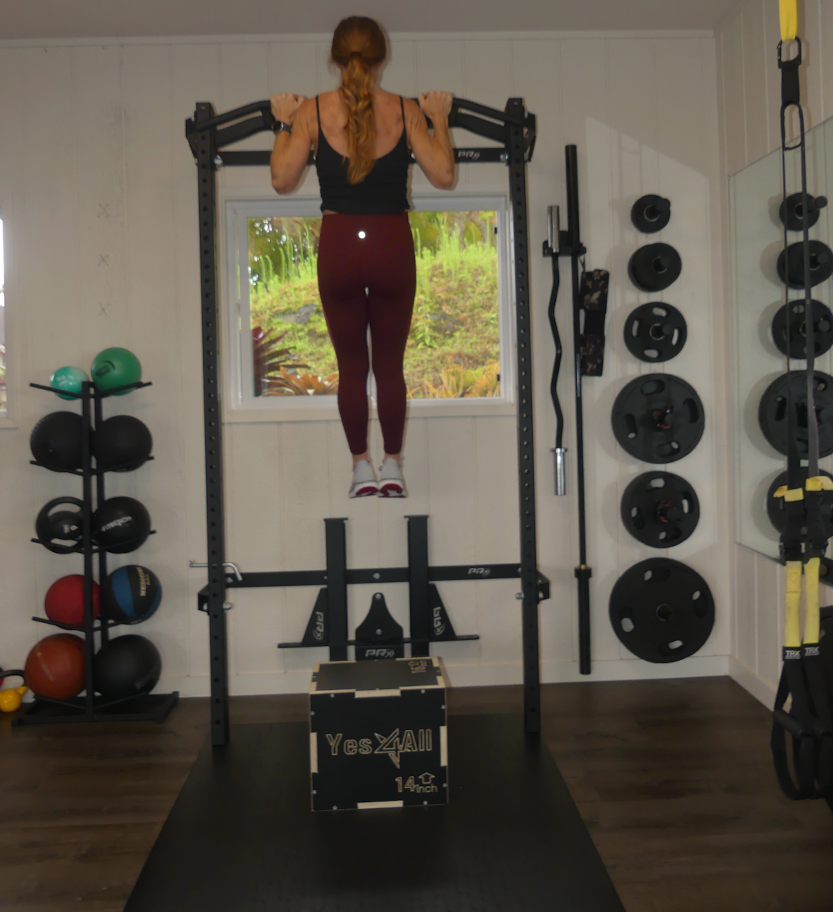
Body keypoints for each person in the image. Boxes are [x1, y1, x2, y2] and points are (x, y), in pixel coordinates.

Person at [269, 16, 454, 498]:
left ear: (334, 60)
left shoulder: (311, 112)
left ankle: (359, 469)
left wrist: (284, 121)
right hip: (391, 244)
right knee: (389, 366)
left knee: (352, 366)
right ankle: (392, 466)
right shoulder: (406, 110)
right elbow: (444, 175)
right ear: (381, 58)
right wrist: (439, 119)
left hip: (341, 246)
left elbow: (281, 180)